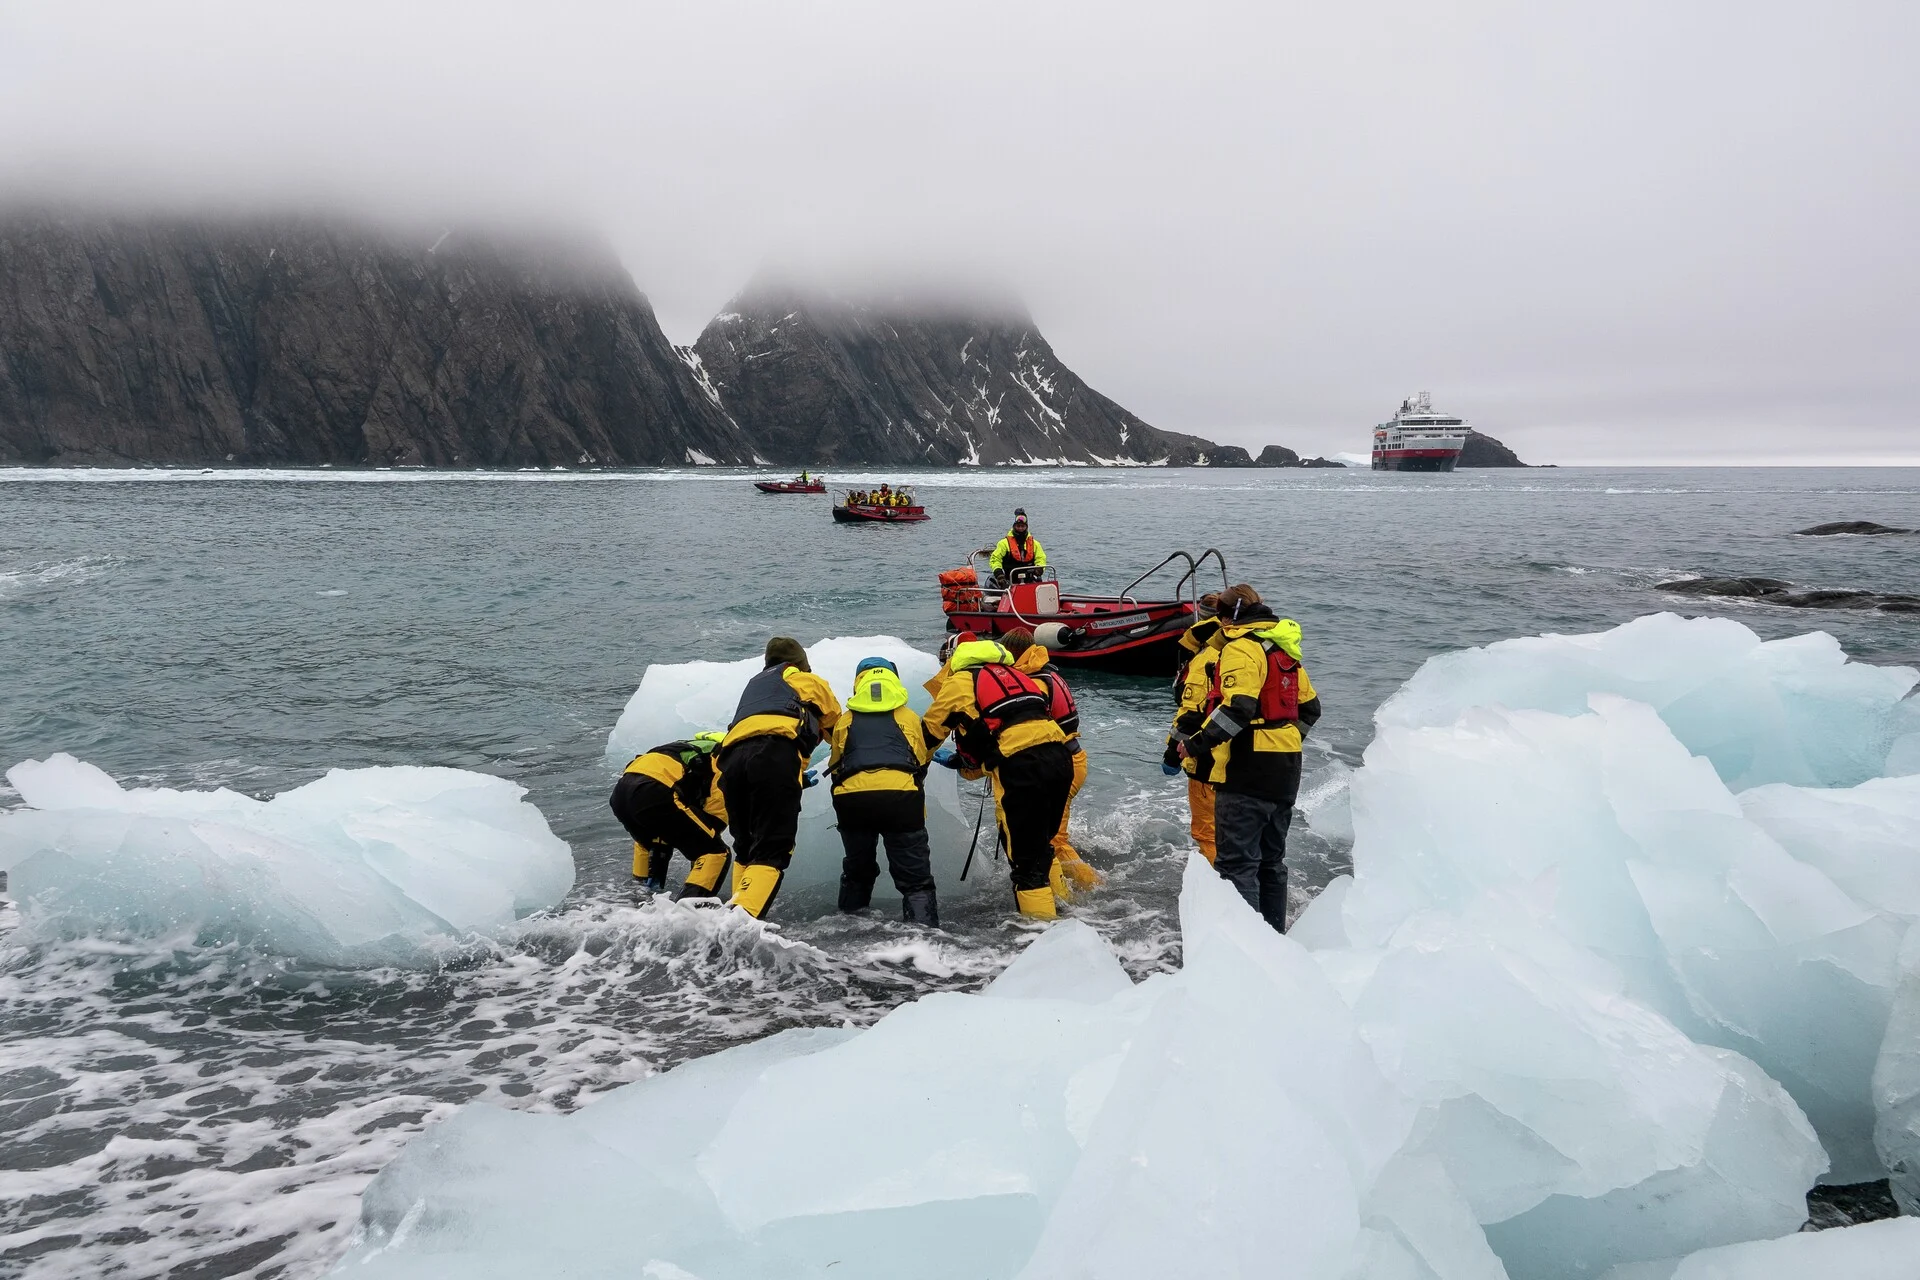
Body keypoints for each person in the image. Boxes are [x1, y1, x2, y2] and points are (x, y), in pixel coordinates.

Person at [1183, 585, 1320, 932]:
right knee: (1272, 862)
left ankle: (1245, 947)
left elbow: (1238, 709)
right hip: (1287, 766)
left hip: (1248, 768)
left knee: (1236, 864)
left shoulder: (1241, 647)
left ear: (1227, 618)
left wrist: (1196, 744)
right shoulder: (1281, 648)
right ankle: (1275, 936)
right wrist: (1285, 737)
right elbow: (1311, 709)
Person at [923, 637, 1073, 920]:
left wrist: (915, 762)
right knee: (1042, 844)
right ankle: (1067, 908)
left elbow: (931, 730)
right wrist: (967, 762)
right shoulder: (1019, 677)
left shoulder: (961, 682)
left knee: (1026, 866)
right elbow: (1014, 729)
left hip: (1022, 768)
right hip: (1060, 760)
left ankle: (1043, 936)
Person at [715, 637, 843, 919]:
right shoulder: (808, 682)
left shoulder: (755, 686)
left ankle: (732, 914)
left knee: (746, 847)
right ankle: (738, 928)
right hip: (774, 754)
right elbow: (839, 731)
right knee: (773, 848)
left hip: (732, 761)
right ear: (801, 664)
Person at [828, 656, 938, 925]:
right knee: (915, 880)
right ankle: (925, 940)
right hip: (901, 799)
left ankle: (848, 928)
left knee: (857, 871)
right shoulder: (909, 717)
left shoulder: (846, 720)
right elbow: (921, 759)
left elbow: (835, 765)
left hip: (852, 801)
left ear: (859, 682)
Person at [1003, 627, 1101, 900]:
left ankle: (1093, 890)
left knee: (1054, 841)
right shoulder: (1048, 671)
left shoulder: (1033, 683)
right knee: (1049, 835)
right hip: (1070, 758)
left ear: (1012, 653)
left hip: (1061, 763)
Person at [609, 731, 731, 899]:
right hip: (655, 791)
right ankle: (688, 910)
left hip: (621, 793)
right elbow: (715, 819)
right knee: (715, 851)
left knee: (652, 843)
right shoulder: (721, 757)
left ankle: (638, 899)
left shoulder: (685, 748)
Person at [1164, 593, 1223, 864]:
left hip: (1209, 759)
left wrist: (1172, 754)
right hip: (1248, 759)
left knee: (1208, 833)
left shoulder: (1206, 658)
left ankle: (1221, 889)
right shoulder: (1252, 649)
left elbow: (1192, 714)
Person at [987, 509, 1046, 586]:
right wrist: (999, 573)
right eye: (1018, 526)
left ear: (1026, 527)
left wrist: (1039, 568)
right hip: (1008, 580)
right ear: (1014, 526)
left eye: (1023, 526)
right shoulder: (1004, 543)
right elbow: (995, 559)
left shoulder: (1035, 544)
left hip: (1029, 580)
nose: (1020, 528)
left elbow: (1041, 558)